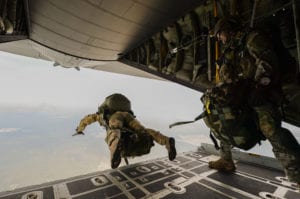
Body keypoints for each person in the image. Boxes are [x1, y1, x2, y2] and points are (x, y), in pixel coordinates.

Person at [207, 17, 300, 187]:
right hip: (242, 95)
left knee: (270, 129)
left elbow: (267, 61)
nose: (219, 39)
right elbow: (230, 74)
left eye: (219, 34)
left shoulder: (251, 38)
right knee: (224, 122)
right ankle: (226, 160)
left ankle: (298, 175)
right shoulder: (231, 49)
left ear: (227, 29)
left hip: (261, 92)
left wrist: (261, 87)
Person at [74, 93, 177, 169]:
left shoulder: (98, 116)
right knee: (143, 131)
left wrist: (79, 129)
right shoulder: (125, 112)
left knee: (114, 129)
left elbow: (86, 120)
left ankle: (115, 147)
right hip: (129, 117)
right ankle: (167, 141)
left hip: (116, 117)